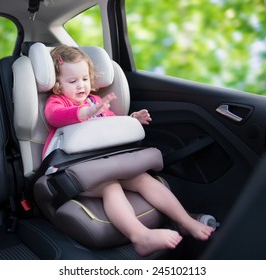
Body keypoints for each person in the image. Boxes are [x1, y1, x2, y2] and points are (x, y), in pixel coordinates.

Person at [43, 45, 215, 257]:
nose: (81, 86)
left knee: (143, 178)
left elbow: (112, 125)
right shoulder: (57, 102)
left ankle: (186, 221)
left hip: (103, 163)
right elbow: (56, 116)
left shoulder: (95, 101)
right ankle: (140, 237)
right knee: (111, 187)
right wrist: (87, 112)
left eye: (85, 79)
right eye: (73, 81)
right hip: (71, 171)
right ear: (58, 84)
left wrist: (131, 120)